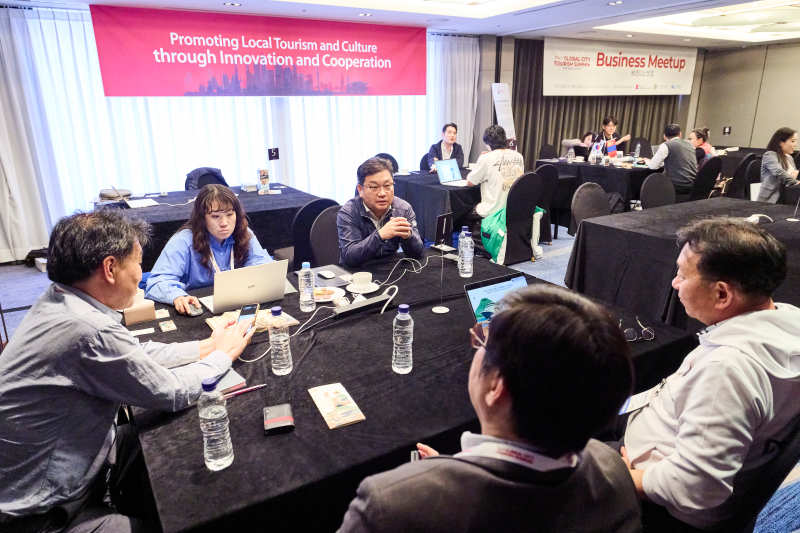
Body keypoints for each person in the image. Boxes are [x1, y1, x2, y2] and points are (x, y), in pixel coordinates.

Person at [0, 210, 255, 533]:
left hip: (61, 473)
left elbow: (133, 352)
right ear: (110, 268)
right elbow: (172, 393)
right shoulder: (87, 329)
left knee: (147, 438)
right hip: (45, 515)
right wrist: (224, 354)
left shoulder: (62, 300)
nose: (140, 273)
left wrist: (205, 346)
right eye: (137, 262)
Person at [337, 285, 641, 533]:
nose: (477, 345)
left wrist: (434, 481)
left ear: (497, 387)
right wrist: (452, 469)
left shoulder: (390, 506)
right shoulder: (613, 470)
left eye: (482, 342)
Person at [618, 218, 800, 532]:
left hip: (659, 507)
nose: (674, 283)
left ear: (721, 295)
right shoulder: (787, 319)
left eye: (682, 274)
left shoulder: (726, 371)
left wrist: (621, 479)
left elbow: (696, 488)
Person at [145, 184, 273, 315]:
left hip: (234, 301)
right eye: (215, 216)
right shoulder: (182, 241)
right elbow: (157, 282)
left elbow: (263, 264)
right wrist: (177, 296)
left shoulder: (244, 233)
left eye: (229, 214)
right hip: (197, 306)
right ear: (202, 218)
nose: (224, 223)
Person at [337, 157, 424, 268]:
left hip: (390, 269)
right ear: (360, 189)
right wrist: (380, 235)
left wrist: (409, 237)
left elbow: (418, 254)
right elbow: (350, 258)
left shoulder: (403, 209)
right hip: (358, 273)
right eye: (374, 187)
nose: (382, 193)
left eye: (387, 186)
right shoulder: (349, 212)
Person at [459, 125, 524, 235]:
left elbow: (469, 182)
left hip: (493, 210)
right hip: (514, 208)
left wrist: (479, 161)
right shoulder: (518, 156)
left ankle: (477, 236)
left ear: (488, 144)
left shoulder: (486, 159)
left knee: (461, 212)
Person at [645, 124, 697, 194]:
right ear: (680, 135)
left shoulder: (665, 145)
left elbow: (652, 166)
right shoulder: (689, 144)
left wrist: (651, 162)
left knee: (651, 183)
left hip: (677, 185)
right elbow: (678, 161)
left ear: (664, 136)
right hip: (693, 184)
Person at [757, 127, 800, 203]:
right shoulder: (770, 155)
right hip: (771, 199)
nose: (795, 144)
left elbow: (795, 175)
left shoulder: (789, 158)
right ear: (781, 143)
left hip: (788, 196)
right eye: (793, 141)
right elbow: (779, 172)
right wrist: (796, 182)